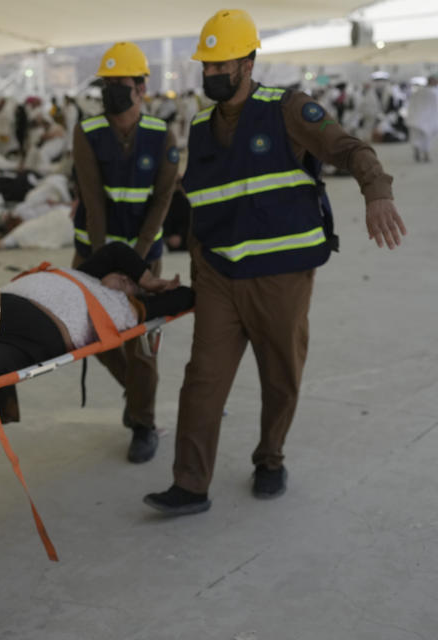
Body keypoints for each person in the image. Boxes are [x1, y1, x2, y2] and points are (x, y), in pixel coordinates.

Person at [144, 9, 407, 515]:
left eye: (223, 65)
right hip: (220, 276)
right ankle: (191, 484)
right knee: (202, 380)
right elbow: (201, 208)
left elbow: (349, 149)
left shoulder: (287, 109)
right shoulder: (199, 129)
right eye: (208, 66)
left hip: (281, 276)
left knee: (280, 376)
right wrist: (198, 271)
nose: (213, 74)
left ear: (248, 62)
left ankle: (270, 458)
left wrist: (377, 192)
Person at [71, 42, 179, 463]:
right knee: (89, 335)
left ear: (141, 87)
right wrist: (106, 266)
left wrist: (136, 262)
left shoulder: (160, 134)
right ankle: (136, 393)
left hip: (145, 254)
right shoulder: (88, 132)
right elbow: (93, 202)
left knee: (143, 346)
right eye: (107, 84)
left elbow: (163, 198)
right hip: (93, 254)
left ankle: (143, 422)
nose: (113, 91)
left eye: (121, 84)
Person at [0, 242, 191, 425]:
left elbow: (186, 296)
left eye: (131, 285)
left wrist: (152, 289)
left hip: (42, 329)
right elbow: (116, 250)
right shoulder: (84, 274)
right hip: (0, 303)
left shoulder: (127, 309)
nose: (125, 279)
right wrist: (146, 279)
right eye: (123, 274)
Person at [406, 76, 438, 163]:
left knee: (416, 137)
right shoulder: (434, 92)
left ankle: (418, 152)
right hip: (428, 120)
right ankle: (426, 154)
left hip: (416, 119)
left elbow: (410, 105)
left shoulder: (418, 92)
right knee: (426, 138)